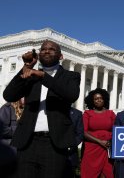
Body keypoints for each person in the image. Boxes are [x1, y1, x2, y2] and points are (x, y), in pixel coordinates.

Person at [3, 40, 81, 178]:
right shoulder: (31, 75)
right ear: (38, 54)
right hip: (28, 141)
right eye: (43, 49)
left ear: (61, 56)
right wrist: (26, 67)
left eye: (52, 49)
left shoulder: (71, 76)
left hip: (54, 143)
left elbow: (71, 95)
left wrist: (44, 76)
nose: (46, 51)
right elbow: (9, 95)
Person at [80, 88, 116, 178]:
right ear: (92, 101)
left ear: (104, 99)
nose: (99, 100)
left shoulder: (111, 114)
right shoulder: (87, 114)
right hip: (92, 149)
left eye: (100, 98)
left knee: (110, 174)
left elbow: (117, 130)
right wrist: (100, 141)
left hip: (107, 149)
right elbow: (83, 132)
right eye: (96, 99)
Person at [67, 107, 84, 178]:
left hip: (71, 153)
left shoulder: (77, 113)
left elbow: (80, 134)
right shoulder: (53, 112)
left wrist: (70, 145)